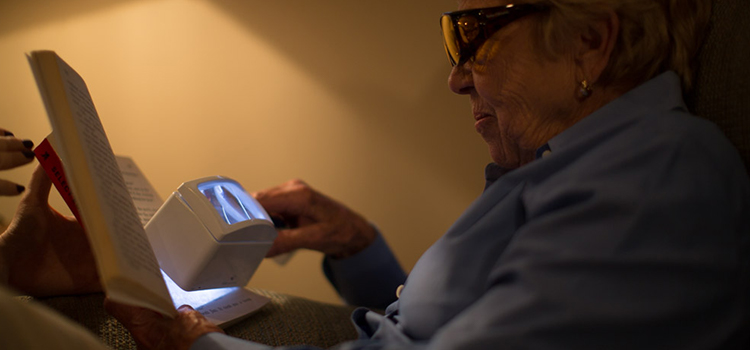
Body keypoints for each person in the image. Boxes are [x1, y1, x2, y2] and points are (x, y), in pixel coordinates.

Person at [3, 0, 750, 349]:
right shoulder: (575, 170)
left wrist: (190, 342)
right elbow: (438, 318)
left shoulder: (659, 174)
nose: (458, 80)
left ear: (590, 43)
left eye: (472, 36)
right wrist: (360, 245)